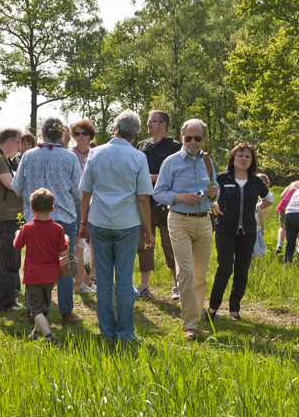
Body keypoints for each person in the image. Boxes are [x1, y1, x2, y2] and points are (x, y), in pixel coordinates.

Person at [79, 109, 154, 341]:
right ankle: (125, 333)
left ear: (114, 128)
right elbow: (143, 197)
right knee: (123, 280)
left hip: (99, 221)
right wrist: (149, 230)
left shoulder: (95, 153)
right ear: (135, 134)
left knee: (102, 280)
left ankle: (106, 331)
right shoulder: (138, 157)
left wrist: (83, 223)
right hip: (127, 224)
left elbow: (85, 193)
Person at [11, 116, 84, 325]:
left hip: (34, 220)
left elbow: (17, 188)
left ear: (42, 133)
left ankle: (31, 310)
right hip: (63, 220)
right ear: (61, 135)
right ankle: (66, 312)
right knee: (65, 266)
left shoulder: (28, 156)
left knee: (33, 263)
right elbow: (78, 192)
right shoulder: (70, 158)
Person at [153, 118, 219, 342]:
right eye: (188, 137)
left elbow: (214, 187)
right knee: (186, 272)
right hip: (179, 220)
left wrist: (214, 193)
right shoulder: (171, 162)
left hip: (204, 221)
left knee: (200, 274)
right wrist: (182, 197)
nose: (192, 142)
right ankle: (189, 325)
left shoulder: (208, 161)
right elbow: (158, 193)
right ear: (182, 137)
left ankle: (196, 320)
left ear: (203, 139)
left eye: (197, 138)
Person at [207, 143, 271, 321]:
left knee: (242, 271)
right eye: (240, 155)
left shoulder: (256, 182)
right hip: (225, 229)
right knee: (225, 268)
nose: (243, 159)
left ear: (252, 161)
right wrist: (212, 205)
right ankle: (212, 308)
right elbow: (206, 195)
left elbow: (269, 199)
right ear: (232, 158)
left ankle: (234, 310)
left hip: (248, 231)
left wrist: (257, 208)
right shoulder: (221, 178)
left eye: (247, 156)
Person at [135, 110, 182, 300]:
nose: (148, 124)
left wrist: (153, 177)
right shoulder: (141, 145)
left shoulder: (175, 146)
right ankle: (144, 286)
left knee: (170, 245)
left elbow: (178, 173)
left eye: (152, 121)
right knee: (144, 245)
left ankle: (177, 286)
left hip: (166, 204)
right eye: (148, 121)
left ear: (163, 124)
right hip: (143, 202)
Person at [13, 188, 70, 346]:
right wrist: (67, 239)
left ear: (32, 209)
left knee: (36, 310)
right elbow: (64, 251)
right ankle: (36, 333)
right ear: (52, 209)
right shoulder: (58, 229)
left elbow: (17, 246)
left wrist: (17, 234)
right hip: (50, 274)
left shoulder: (27, 228)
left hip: (33, 275)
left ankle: (50, 338)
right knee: (43, 307)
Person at [0, 128, 25, 312]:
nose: (19, 147)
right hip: (5, 216)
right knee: (9, 260)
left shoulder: (7, 160)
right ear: (9, 141)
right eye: (18, 143)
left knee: (10, 259)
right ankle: (6, 303)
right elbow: (11, 184)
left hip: (12, 216)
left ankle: (1, 300)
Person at [70, 119, 97, 294]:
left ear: (90, 136)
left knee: (92, 244)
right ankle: (78, 281)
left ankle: (88, 279)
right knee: (78, 244)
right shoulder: (70, 154)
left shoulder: (95, 154)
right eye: (77, 133)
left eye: (83, 133)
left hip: (95, 203)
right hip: (75, 204)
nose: (80, 137)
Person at [253, 173, 274, 260]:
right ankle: (251, 269)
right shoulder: (260, 197)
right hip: (252, 224)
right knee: (253, 251)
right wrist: (262, 228)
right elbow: (261, 213)